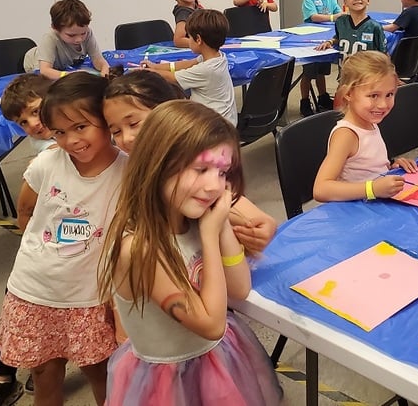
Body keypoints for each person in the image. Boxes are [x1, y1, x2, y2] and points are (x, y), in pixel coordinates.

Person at [99, 101, 283, 406]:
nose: (214, 185)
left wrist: (220, 224)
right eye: (201, 169)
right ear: (158, 164)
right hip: (165, 382)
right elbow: (211, 325)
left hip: (218, 362)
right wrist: (210, 236)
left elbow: (240, 288)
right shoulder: (141, 248)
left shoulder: (196, 220)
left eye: (222, 172)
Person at [0, 73, 126, 406]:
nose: (71, 141)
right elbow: (25, 213)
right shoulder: (46, 162)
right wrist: (47, 256)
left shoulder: (128, 171)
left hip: (92, 296)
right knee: (44, 374)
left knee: (102, 372)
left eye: (81, 127)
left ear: (105, 120)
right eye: (60, 132)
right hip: (35, 291)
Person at [103, 70, 276, 255]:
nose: (126, 138)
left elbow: (241, 209)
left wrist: (264, 226)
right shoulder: (126, 172)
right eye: (116, 132)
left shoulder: (193, 160)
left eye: (134, 124)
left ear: (170, 114)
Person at [0, 74, 57, 406]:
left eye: (37, 112)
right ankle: (4, 374)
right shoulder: (44, 156)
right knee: (21, 303)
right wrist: (36, 246)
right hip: (45, 242)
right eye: (23, 122)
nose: (33, 124)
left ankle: (50, 363)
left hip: (86, 242)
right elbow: (25, 211)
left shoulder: (84, 137)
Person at [313, 51, 417, 202]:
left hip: (374, 204)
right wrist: (372, 188)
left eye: (389, 94)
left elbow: (366, 168)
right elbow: (321, 189)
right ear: (348, 93)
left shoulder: (369, 122)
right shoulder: (346, 135)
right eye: (373, 95)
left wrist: (390, 169)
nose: (383, 104)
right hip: (356, 213)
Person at [140, 9, 238, 125]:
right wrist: (155, 67)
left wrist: (147, 72)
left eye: (189, 37)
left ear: (198, 39)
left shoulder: (207, 70)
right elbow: (185, 64)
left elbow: (172, 78)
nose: (188, 40)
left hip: (213, 126)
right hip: (223, 118)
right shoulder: (217, 57)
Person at [23, 0, 110, 79]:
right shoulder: (50, 37)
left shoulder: (88, 33)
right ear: (55, 29)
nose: (79, 39)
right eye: (71, 35)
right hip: (36, 64)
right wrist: (69, 75)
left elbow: (98, 59)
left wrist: (104, 71)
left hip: (65, 65)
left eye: (83, 33)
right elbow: (45, 71)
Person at [300, 0, 344, 116]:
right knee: (308, 73)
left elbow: (339, 12)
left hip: (325, 38)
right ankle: (304, 101)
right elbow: (313, 16)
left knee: (321, 71)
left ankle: (322, 96)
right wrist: (333, 17)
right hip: (311, 40)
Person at [316, 0, 386, 59]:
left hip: (366, 71)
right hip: (344, 70)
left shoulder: (375, 27)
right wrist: (330, 42)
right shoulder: (340, 22)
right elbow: (339, 38)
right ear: (345, 2)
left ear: (368, 0)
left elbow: (383, 55)